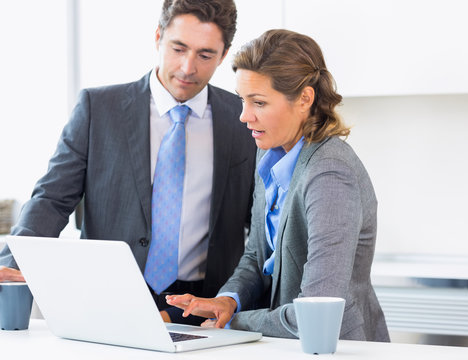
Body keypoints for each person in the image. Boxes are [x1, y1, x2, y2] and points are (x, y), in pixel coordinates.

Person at [0, 0, 256, 325]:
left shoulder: (243, 119)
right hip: (107, 297)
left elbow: (259, 224)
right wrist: (13, 265)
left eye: (205, 55)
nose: (188, 67)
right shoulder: (98, 108)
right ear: (158, 37)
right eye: (178, 48)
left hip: (201, 309)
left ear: (224, 53)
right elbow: (51, 200)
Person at [165, 29, 390, 341]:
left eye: (258, 102)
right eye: (243, 100)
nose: (244, 116)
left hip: (336, 347)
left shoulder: (329, 174)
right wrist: (227, 302)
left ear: (304, 99)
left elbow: (315, 313)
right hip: (283, 345)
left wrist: (236, 323)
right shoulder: (269, 154)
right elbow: (257, 257)